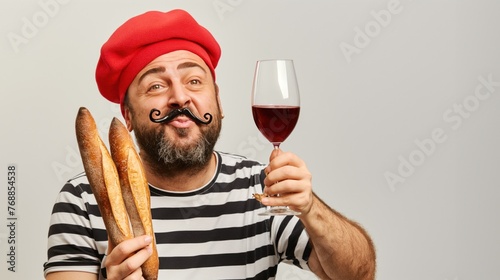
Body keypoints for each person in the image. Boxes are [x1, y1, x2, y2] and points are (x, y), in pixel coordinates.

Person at [43, 9, 376, 280]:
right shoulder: (82, 200)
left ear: (217, 100)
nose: (180, 97)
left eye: (194, 81)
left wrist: (309, 207)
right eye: (157, 85)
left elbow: (358, 274)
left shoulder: (261, 188)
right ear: (127, 116)